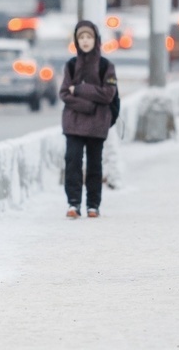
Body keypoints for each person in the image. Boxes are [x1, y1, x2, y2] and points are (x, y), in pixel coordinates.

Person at [59, 20, 117, 219]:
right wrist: (90, 105)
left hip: (97, 125)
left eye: (88, 37)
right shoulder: (71, 65)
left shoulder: (105, 66)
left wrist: (81, 89)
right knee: (72, 162)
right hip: (73, 124)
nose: (85, 41)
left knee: (94, 164)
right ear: (76, 40)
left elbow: (109, 94)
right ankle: (73, 204)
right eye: (81, 37)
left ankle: (93, 205)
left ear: (96, 40)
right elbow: (65, 93)